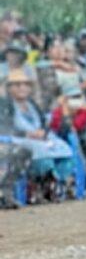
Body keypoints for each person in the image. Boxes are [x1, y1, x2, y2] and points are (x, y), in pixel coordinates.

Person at [5, 69, 75, 199]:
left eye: (25, 84)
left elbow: (43, 123)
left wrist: (43, 132)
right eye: (17, 85)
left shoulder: (32, 104)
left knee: (64, 150)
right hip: (19, 139)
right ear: (9, 88)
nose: (22, 88)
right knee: (43, 158)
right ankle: (43, 186)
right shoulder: (4, 104)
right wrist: (27, 133)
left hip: (40, 137)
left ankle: (60, 184)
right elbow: (5, 126)